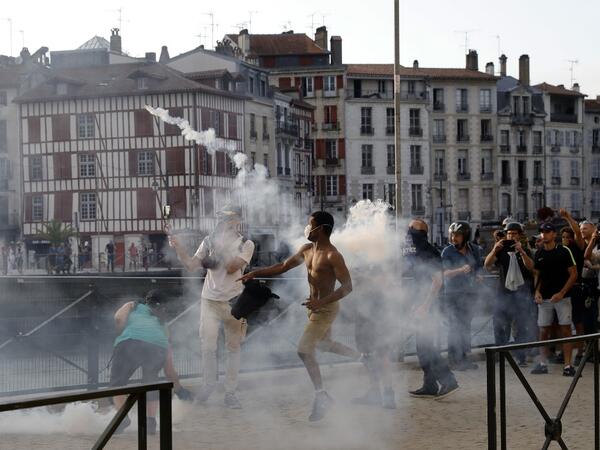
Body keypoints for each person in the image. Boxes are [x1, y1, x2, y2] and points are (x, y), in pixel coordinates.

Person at [239, 211, 362, 421]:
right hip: (313, 307)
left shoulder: (333, 255)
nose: (307, 229)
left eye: (310, 225)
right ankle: (362, 357)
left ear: (321, 229)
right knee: (323, 344)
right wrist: (255, 272)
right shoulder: (307, 249)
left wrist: (321, 302)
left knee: (304, 351)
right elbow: (282, 266)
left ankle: (321, 396)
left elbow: (348, 287)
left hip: (326, 308)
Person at [170, 205, 254, 409]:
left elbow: (232, 267)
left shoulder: (246, 244)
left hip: (234, 301)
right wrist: (179, 248)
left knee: (233, 348)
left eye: (227, 219)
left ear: (236, 221)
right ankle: (208, 385)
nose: (222, 223)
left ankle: (230, 392)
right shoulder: (208, 241)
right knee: (207, 347)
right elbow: (191, 265)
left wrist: (222, 245)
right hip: (209, 300)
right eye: (221, 219)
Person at [406, 219, 459, 399]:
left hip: (431, 305)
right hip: (424, 303)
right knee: (423, 346)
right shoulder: (419, 251)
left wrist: (425, 306)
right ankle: (429, 385)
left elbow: (437, 280)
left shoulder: (428, 251)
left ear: (420, 232)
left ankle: (448, 380)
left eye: (411, 229)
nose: (408, 232)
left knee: (426, 346)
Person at [110, 289, 171, 435]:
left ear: (146, 300)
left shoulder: (133, 305)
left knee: (117, 383)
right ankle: (150, 422)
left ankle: (122, 418)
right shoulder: (161, 318)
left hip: (131, 342)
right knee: (150, 383)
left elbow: (118, 318)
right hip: (158, 348)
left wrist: (119, 334)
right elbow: (167, 339)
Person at [529, 222, 578, 376]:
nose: (544, 234)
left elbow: (574, 274)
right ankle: (543, 363)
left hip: (562, 297)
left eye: (548, 231)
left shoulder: (564, 251)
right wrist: (536, 292)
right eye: (542, 231)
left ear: (554, 234)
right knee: (543, 330)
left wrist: (562, 292)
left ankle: (568, 365)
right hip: (544, 298)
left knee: (565, 329)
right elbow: (537, 275)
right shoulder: (539, 253)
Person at [484, 222, 535, 365]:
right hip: (502, 293)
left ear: (519, 235)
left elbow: (531, 267)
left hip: (521, 294)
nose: (511, 235)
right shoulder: (500, 249)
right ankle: (501, 354)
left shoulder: (524, 249)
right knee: (499, 325)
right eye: (509, 233)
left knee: (521, 325)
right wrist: (494, 250)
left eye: (514, 233)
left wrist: (522, 252)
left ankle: (521, 357)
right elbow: (487, 265)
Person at [350, 268, 396, 409]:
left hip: (376, 322)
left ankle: (387, 395)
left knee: (382, 358)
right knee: (368, 357)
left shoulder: (369, 284)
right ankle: (375, 393)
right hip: (366, 322)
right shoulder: (362, 284)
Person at [441, 221, 482, 370]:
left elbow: (478, 267)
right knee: (454, 326)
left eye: (457, 235)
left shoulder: (475, 250)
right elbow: (444, 273)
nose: (453, 238)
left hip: (470, 293)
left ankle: (464, 358)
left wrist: (478, 276)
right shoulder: (447, 252)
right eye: (452, 235)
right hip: (453, 294)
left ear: (465, 236)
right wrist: (460, 270)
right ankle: (453, 360)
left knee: (465, 326)